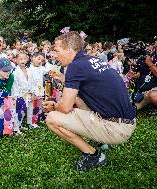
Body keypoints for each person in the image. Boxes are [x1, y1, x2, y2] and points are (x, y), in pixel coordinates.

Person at [43, 31, 136, 171]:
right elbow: (90, 88)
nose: (54, 55)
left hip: (117, 128)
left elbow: (65, 108)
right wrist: (63, 78)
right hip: (127, 121)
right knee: (79, 101)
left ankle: (93, 155)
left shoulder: (75, 66)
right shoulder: (92, 60)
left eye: (56, 50)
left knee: (52, 118)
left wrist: (55, 106)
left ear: (69, 50)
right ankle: (103, 142)